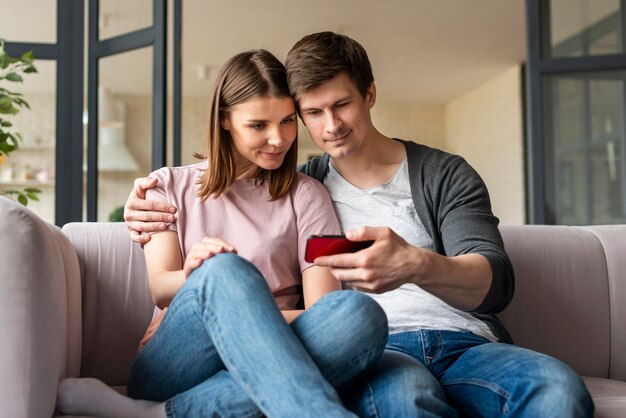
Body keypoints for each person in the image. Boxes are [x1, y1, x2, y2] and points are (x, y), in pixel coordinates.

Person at [124, 33, 595, 417]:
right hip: (379, 351)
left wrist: (415, 264)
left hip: (457, 342)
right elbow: (171, 278)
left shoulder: (433, 175)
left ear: (369, 94)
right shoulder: (297, 184)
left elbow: (496, 283)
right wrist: (142, 208)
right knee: (398, 395)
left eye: (341, 105)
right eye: (312, 113)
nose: (329, 126)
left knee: (556, 388)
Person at [56, 49, 388, 418]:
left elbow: (324, 310)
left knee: (360, 315)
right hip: (178, 360)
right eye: (259, 125)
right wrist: (202, 281)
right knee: (224, 270)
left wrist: (237, 314)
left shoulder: (309, 194)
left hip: (280, 356)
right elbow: (161, 288)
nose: (278, 139)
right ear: (225, 120)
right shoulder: (165, 186)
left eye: (287, 121)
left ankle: (155, 414)